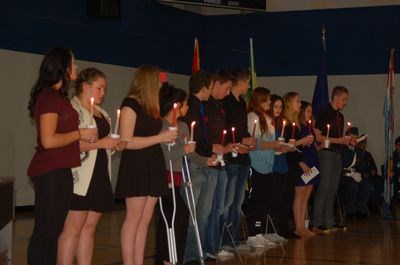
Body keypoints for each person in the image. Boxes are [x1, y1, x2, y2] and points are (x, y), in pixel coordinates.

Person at [27, 47, 97, 265]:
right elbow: (48, 140)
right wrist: (80, 134)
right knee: (45, 233)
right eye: (74, 63)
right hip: (50, 173)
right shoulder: (48, 97)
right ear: (63, 67)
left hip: (61, 171)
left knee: (53, 231)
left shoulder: (59, 97)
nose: (76, 67)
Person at [57, 68, 126, 265]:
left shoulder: (102, 113)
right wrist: (102, 144)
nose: (103, 93)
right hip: (79, 176)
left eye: (104, 88)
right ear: (85, 86)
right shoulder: (72, 110)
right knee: (73, 229)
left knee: (89, 228)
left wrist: (114, 145)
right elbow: (70, 144)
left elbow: (101, 145)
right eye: (100, 88)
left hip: (99, 174)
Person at [114, 65, 178, 265]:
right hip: (136, 164)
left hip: (153, 162)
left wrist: (165, 138)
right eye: (158, 81)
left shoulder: (152, 106)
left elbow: (154, 136)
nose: (161, 85)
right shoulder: (130, 104)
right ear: (149, 82)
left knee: (145, 219)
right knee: (134, 218)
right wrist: (159, 138)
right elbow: (126, 141)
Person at [156, 83, 214, 265]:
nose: (187, 107)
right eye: (185, 104)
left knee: (177, 217)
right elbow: (163, 155)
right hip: (163, 179)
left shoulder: (183, 127)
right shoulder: (161, 126)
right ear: (176, 105)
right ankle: (167, 257)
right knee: (176, 215)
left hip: (178, 179)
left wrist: (206, 161)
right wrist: (183, 150)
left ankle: (175, 258)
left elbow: (190, 153)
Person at [181, 70, 215, 263]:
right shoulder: (190, 109)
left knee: (203, 214)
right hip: (193, 163)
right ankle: (190, 256)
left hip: (205, 161)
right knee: (193, 215)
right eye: (210, 88)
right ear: (203, 88)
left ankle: (198, 252)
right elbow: (193, 140)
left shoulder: (202, 108)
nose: (211, 91)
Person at [222, 68, 256, 244]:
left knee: (238, 201)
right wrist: (241, 139)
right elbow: (226, 130)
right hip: (232, 157)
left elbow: (242, 129)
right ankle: (225, 240)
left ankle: (234, 239)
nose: (249, 86)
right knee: (228, 201)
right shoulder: (226, 102)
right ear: (241, 82)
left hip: (243, 158)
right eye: (248, 82)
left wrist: (250, 139)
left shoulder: (242, 103)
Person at [312, 86, 351, 234]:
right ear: (336, 97)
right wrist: (339, 140)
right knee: (324, 187)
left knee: (333, 188)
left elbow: (337, 138)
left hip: (337, 153)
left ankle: (329, 220)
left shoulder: (340, 116)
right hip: (326, 153)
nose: (345, 102)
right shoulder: (324, 112)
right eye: (344, 99)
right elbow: (319, 136)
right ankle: (317, 222)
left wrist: (347, 141)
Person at [245, 87, 281, 240]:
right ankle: (253, 234)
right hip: (256, 164)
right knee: (256, 200)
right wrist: (274, 145)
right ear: (261, 100)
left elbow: (272, 143)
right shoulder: (252, 117)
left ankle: (260, 232)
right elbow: (256, 144)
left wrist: (281, 148)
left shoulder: (268, 118)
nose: (270, 102)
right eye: (268, 99)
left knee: (266, 200)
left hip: (268, 166)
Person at [282, 93, 314, 238]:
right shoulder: (287, 124)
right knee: (297, 196)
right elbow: (289, 147)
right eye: (297, 102)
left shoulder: (296, 124)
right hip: (290, 163)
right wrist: (303, 142)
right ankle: (298, 226)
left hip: (296, 161)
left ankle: (300, 226)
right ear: (289, 103)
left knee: (300, 196)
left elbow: (295, 147)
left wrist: (303, 142)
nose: (300, 105)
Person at [293, 101, 319, 236]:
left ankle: (303, 226)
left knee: (306, 197)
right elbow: (295, 148)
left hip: (312, 163)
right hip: (303, 164)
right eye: (308, 111)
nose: (310, 114)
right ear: (302, 112)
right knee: (300, 195)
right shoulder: (298, 128)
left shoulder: (309, 128)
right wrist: (301, 163)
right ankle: (298, 226)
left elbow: (312, 146)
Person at [267, 95, 290, 238]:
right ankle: (270, 230)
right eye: (275, 106)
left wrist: (286, 147)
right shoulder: (269, 124)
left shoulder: (281, 124)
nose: (278, 109)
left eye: (280, 107)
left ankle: (280, 228)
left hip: (282, 164)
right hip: (272, 164)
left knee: (283, 198)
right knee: (273, 199)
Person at [342, 129, 376, 220]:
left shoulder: (359, 151)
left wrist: (358, 171)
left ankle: (360, 209)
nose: (354, 139)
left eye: (356, 137)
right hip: (345, 176)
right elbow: (342, 165)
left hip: (356, 174)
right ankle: (350, 211)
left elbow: (362, 167)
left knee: (367, 184)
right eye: (352, 137)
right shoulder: (342, 149)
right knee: (353, 185)